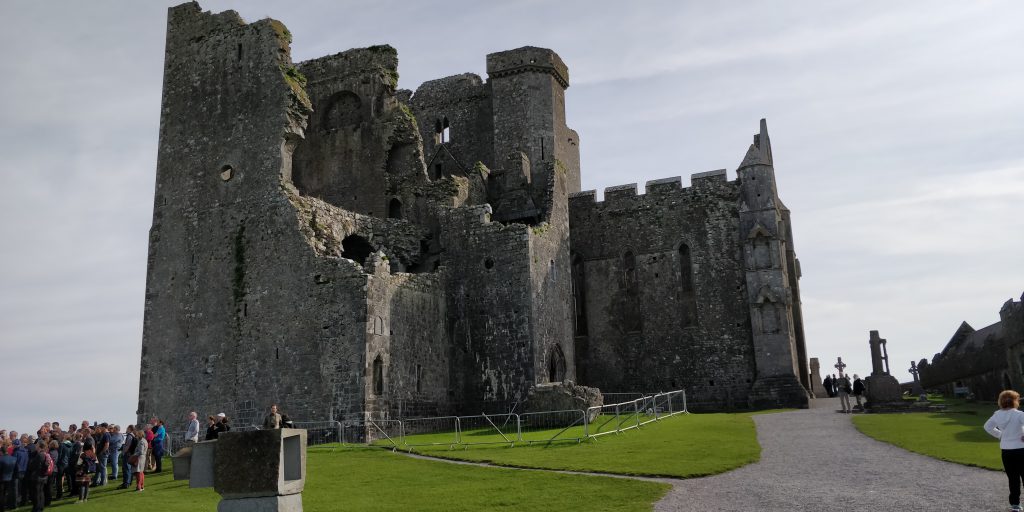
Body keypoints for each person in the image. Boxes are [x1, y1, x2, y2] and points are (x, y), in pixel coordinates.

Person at [985, 390, 1024, 512]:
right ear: (1015, 401)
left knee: (1013, 478)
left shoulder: (997, 415)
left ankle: (1015, 505)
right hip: (1021, 449)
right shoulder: (1019, 414)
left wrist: (1000, 435)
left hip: (1006, 451)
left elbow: (987, 427)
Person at [1, 441, 17, 511]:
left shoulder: (1, 459)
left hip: (1, 479)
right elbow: (16, 469)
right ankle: (11, 505)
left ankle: (2, 507)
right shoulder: (14, 458)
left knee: (2, 494)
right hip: (11, 478)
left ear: (1, 452)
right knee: (10, 493)